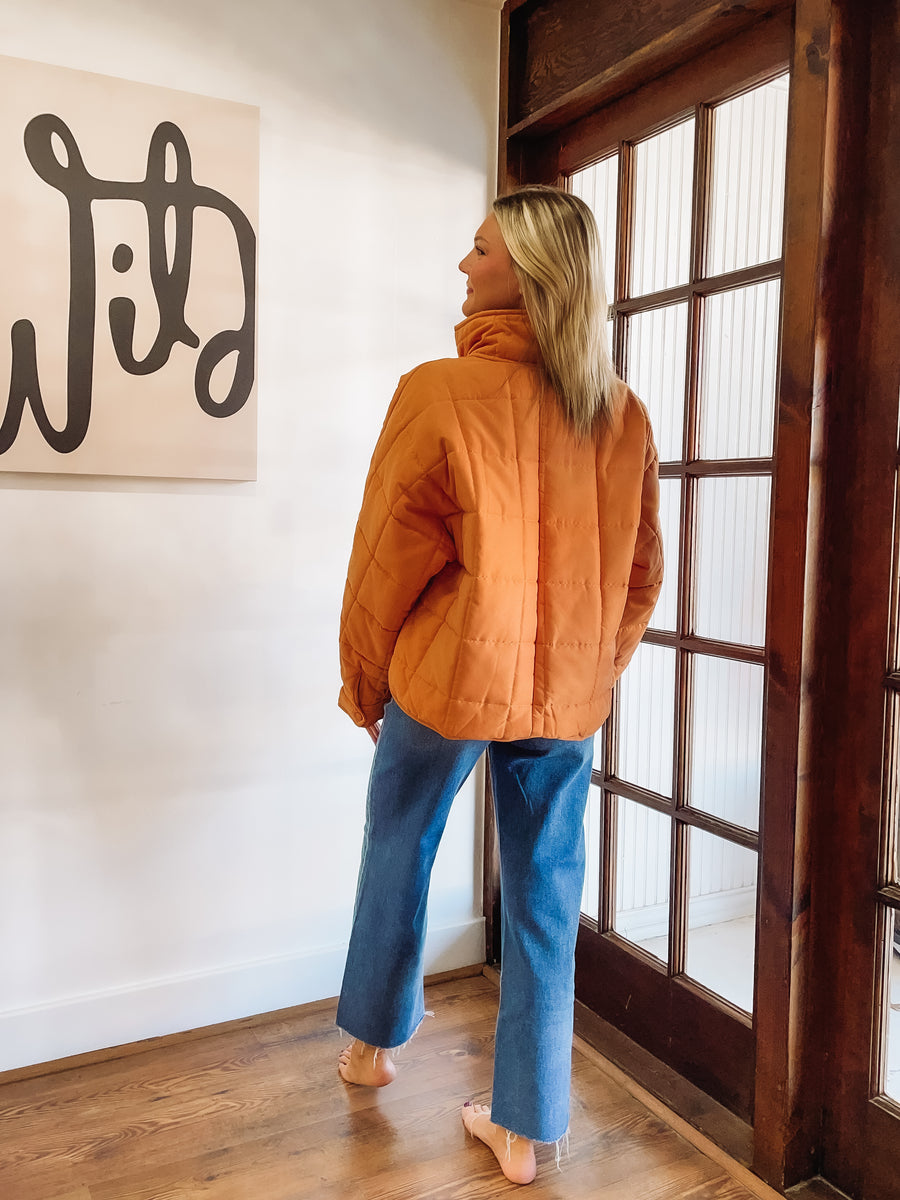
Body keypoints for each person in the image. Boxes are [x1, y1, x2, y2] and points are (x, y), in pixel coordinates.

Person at [335, 184, 663, 1186]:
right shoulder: (621, 412)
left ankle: (372, 1047)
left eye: (479, 252)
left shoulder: (438, 392)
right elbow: (642, 573)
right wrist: (591, 673)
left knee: (402, 840)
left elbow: (385, 558)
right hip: (564, 696)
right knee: (545, 897)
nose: (462, 267)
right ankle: (526, 1131)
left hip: (446, 679)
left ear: (522, 272)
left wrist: (362, 678)